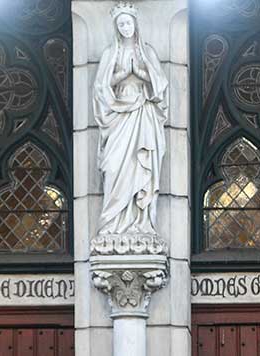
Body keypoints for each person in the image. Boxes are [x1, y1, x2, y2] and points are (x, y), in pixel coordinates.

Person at [93, 2, 169, 236]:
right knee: (113, 166)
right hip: (118, 113)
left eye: (128, 23)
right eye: (121, 24)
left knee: (142, 165)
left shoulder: (147, 52)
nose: (125, 28)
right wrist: (123, 74)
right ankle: (113, 223)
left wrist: (141, 73)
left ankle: (140, 222)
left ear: (136, 24)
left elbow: (160, 85)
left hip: (142, 111)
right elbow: (101, 86)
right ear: (116, 28)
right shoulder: (110, 53)